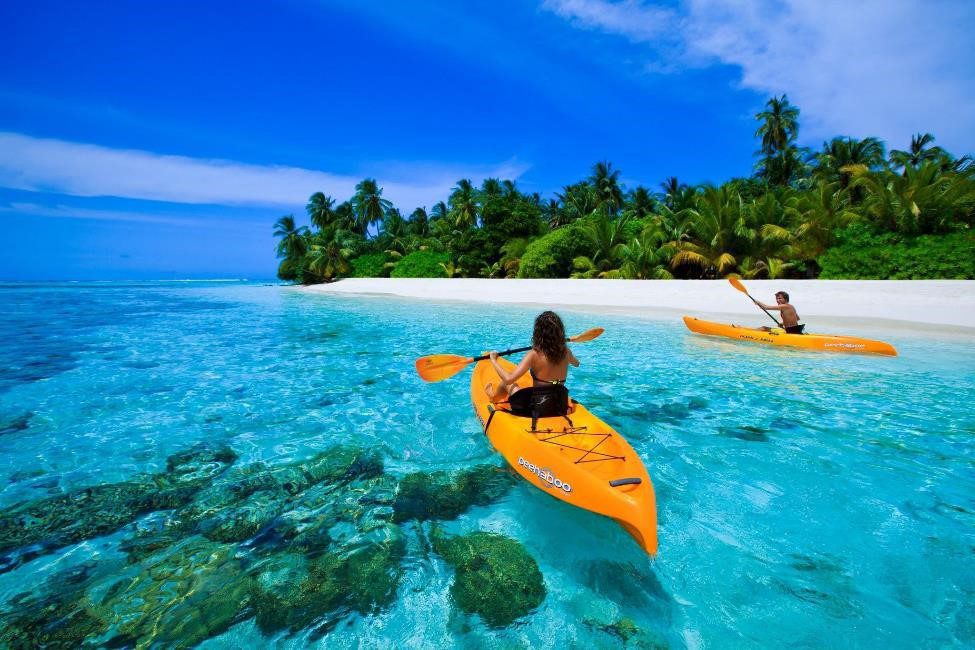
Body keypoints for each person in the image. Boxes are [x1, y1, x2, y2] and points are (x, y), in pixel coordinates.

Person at [485, 311, 579, 410]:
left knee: (506, 383)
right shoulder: (566, 352)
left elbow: (509, 379)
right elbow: (577, 364)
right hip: (559, 404)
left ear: (538, 333)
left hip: (537, 406)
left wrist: (493, 360)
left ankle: (493, 398)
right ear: (560, 332)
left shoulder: (534, 354)